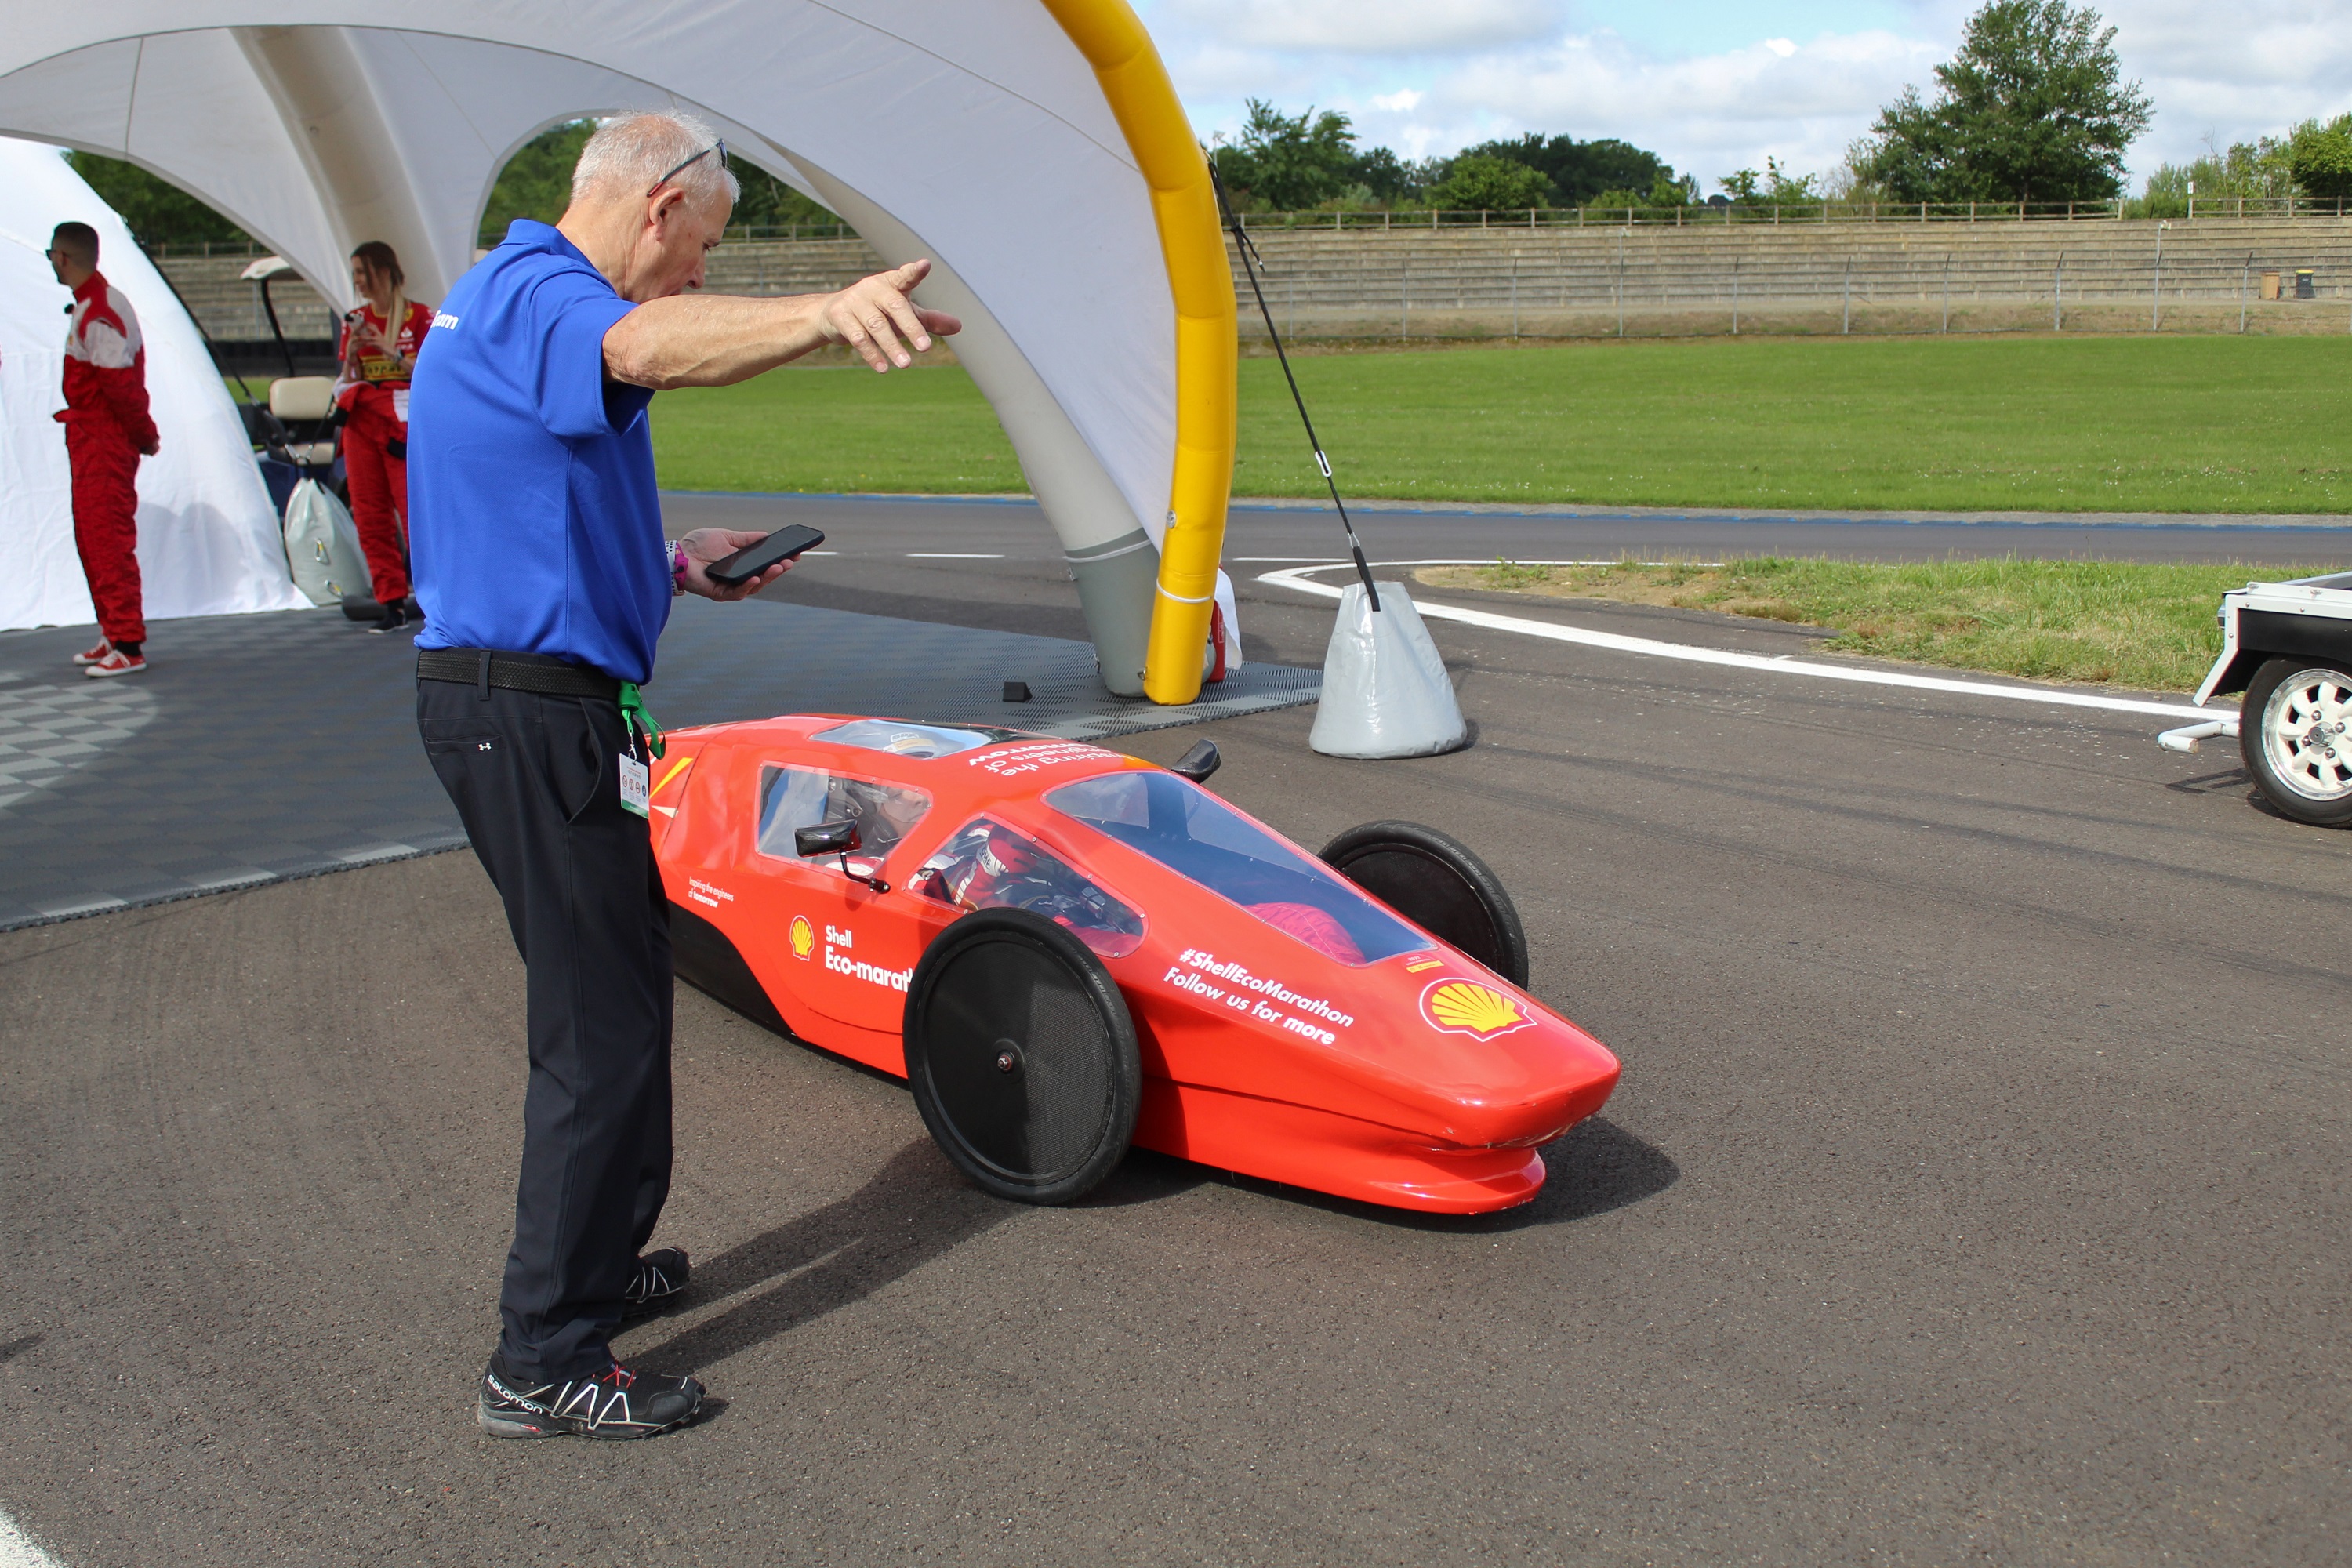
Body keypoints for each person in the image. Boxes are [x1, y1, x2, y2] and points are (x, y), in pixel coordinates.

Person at [407, 108, 959, 1440]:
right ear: (656, 208)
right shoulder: (553, 294)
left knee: (616, 1003)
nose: (702, 273)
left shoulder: (503, 303)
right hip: (526, 713)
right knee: (596, 1036)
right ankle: (541, 1356)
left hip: (526, 701)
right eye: (704, 245)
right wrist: (826, 316)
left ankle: (589, 1276)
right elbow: (643, 344)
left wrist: (671, 564)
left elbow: (524, 514)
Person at [48, 222, 159, 680]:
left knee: (107, 538)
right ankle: (113, 632)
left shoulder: (100, 311)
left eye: (51, 254)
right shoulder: (92, 306)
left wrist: (143, 435)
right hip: (93, 438)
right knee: (93, 538)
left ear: (63, 257)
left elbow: (120, 388)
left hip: (104, 439)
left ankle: (128, 643)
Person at [335, 241, 434, 634]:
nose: (358, 280)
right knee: (369, 513)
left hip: (403, 421)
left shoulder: (420, 316)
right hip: (363, 420)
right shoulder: (355, 319)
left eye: (362, 272)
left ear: (382, 271)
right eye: (355, 272)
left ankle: (432, 598)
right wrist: (354, 353)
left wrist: (386, 350)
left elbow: (429, 371)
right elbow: (347, 378)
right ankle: (390, 601)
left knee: (413, 512)